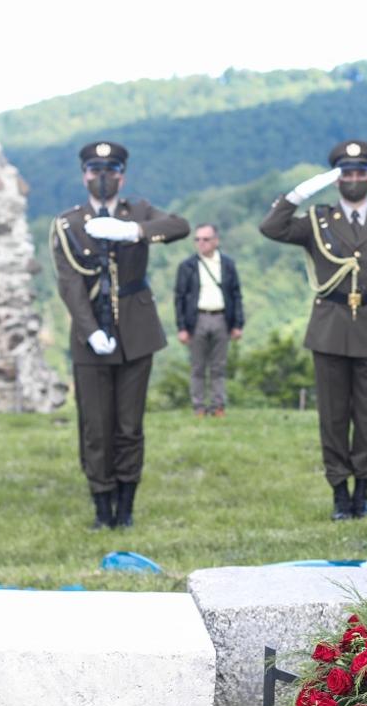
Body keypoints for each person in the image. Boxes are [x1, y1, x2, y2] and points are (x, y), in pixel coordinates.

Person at [260, 141, 367, 520]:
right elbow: (271, 227)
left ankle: (362, 490)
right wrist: (302, 191)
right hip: (329, 329)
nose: (354, 179)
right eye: (346, 173)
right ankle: (338, 493)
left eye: (360, 172)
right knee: (332, 416)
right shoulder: (318, 221)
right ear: (336, 179)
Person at [50, 141, 189, 530]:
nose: (103, 177)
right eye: (95, 170)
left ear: (122, 175)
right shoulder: (68, 224)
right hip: (91, 337)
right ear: (84, 175)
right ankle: (101, 507)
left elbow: (179, 226)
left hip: (136, 332)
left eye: (111, 170)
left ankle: (126, 509)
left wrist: (134, 231)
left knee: (129, 426)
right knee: (96, 427)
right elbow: (69, 284)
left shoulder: (138, 211)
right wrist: (90, 331)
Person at [174, 223, 244, 417]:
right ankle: (198, 407)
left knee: (218, 367)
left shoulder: (228, 265)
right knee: (197, 367)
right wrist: (181, 327)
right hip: (197, 319)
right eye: (197, 239)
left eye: (205, 239)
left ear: (215, 241)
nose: (201, 243)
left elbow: (236, 294)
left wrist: (238, 324)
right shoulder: (187, 266)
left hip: (221, 318)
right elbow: (179, 298)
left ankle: (218, 405)